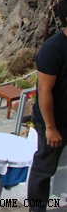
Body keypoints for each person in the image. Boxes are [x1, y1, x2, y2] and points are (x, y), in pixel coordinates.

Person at [28, 28, 67, 212]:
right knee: (44, 168)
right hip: (54, 121)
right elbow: (44, 90)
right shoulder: (53, 48)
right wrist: (50, 128)